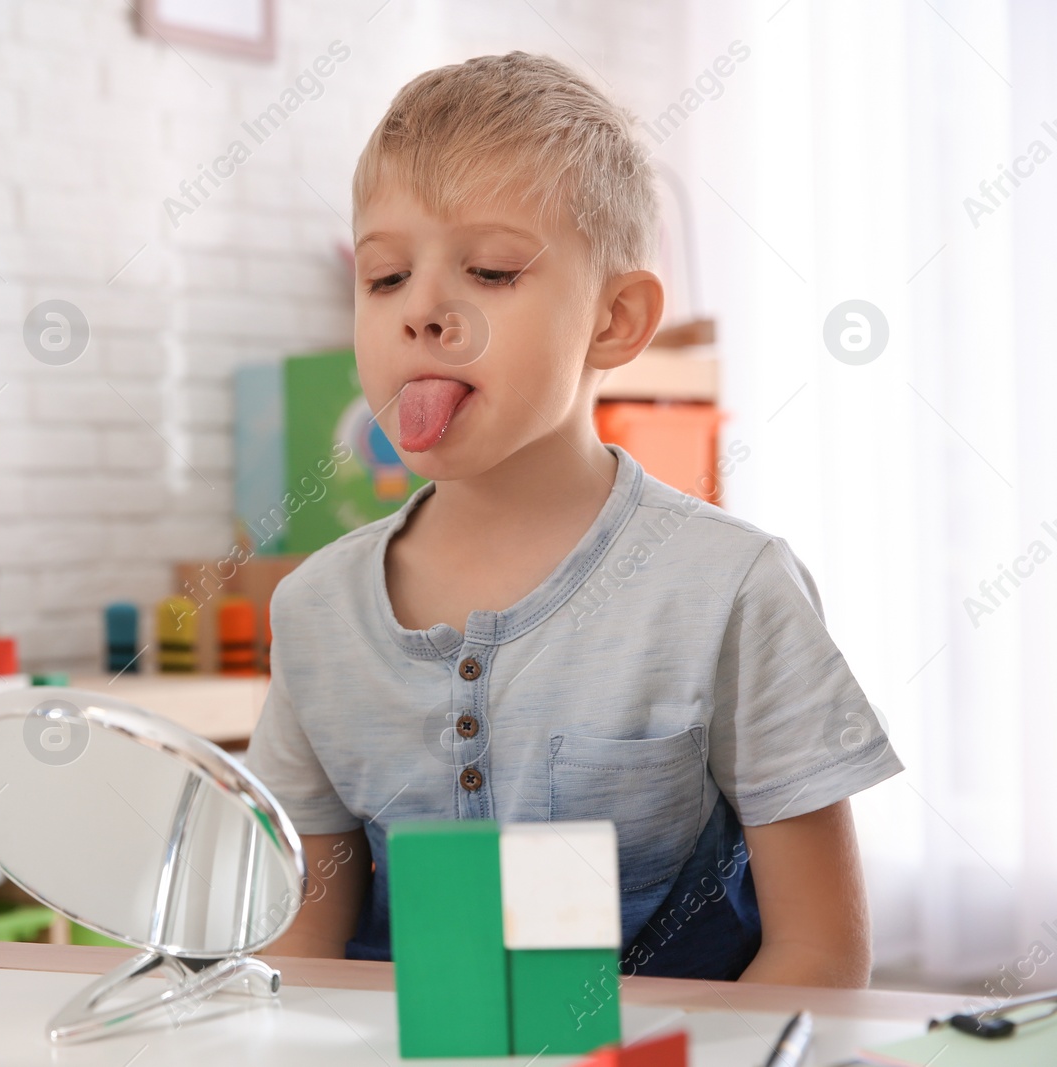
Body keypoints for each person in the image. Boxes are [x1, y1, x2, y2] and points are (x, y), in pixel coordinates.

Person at [244, 52, 901, 984]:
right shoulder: (314, 611)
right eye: (385, 278)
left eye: (490, 270)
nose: (424, 312)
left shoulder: (731, 588)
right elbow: (300, 945)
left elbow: (821, 953)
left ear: (615, 319)